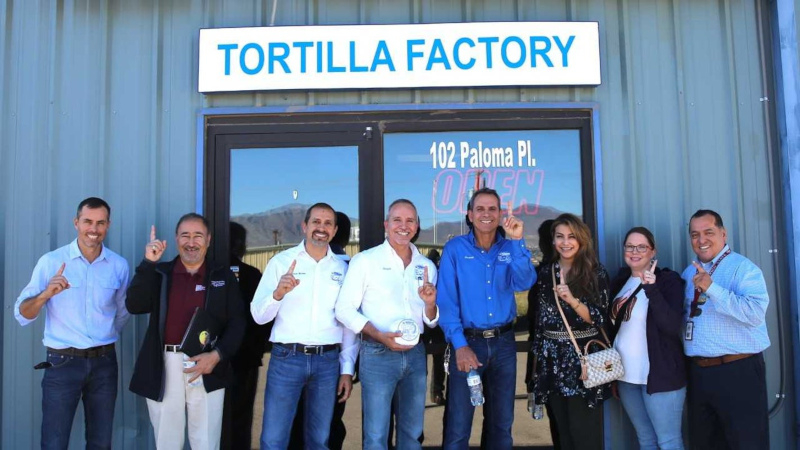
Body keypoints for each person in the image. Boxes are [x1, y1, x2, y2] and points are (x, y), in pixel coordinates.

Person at [15, 197, 130, 450]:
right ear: (76, 223)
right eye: (87, 221)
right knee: (54, 442)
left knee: (101, 442)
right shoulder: (51, 262)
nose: (94, 229)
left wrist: (102, 338)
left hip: (104, 364)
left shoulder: (119, 266)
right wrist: (45, 295)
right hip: (62, 364)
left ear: (108, 225)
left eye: (100, 223)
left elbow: (122, 313)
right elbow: (22, 313)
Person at [127, 213, 246, 450]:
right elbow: (135, 305)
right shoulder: (160, 273)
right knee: (167, 442)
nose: (191, 242)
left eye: (198, 236)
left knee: (206, 442)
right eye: (185, 236)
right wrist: (148, 263)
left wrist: (218, 355)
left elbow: (238, 322)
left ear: (208, 240)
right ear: (176, 239)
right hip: (165, 365)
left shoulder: (222, 276)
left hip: (207, 364)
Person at [251, 203, 357, 450]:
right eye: (316, 222)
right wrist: (277, 294)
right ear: (304, 226)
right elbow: (258, 316)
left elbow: (348, 324)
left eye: (328, 223)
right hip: (287, 359)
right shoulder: (281, 263)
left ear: (335, 230)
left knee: (319, 440)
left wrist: (347, 369)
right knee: (274, 439)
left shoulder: (343, 269)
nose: (321, 228)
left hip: (327, 362)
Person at [437, 188, 536, 450]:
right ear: (470, 215)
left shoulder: (510, 247)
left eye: (492, 209)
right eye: (480, 209)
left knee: (501, 426)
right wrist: (460, 345)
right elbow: (446, 302)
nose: (486, 214)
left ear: (500, 214)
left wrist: (517, 241)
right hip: (468, 344)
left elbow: (525, 282)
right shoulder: (455, 249)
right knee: (458, 427)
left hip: (504, 344)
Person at [335, 199, 438, 450]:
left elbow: (430, 320)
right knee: (375, 436)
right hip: (377, 354)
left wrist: (430, 304)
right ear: (386, 224)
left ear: (417, 226)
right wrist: (378, 335)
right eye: (397, 220)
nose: (404, 226)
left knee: (412, 434)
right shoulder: (365, 261)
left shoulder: (426, 266)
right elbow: (344, 310)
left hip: (415, 354)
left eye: (410, 221)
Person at [682, 209, 770, 449]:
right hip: (699, 373)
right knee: (705, 444)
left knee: (746, 443)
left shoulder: (743, 268)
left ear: (723, 234)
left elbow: (755, 313)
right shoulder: (688, 273)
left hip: (737, 371)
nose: (701, 240)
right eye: (695, 234)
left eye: (708, 232)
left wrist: (712, 288)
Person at [531, 213, 610, 450]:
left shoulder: (595, 272)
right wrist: (537, 366)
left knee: (583, 433)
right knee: (562, 433)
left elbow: (599, 318)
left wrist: (572, 300)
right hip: (552, 361)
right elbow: (540, 321)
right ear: (553, 240)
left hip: (582, 362)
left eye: (571, 236)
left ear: (581, 239)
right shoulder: (545, 273)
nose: (565, 242)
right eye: (560, 236)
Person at [610, 227, 686, 450]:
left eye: (642, 247)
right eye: (630, 246)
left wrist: (651, 289)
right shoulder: (621, 281)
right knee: (646, 440)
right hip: (626, 377)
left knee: (669, 442)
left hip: (660, 377)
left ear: (653, 251)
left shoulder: (668, 281)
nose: (635, 252)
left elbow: (671, 326)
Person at [221, 222, 268, 450]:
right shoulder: (252, 275)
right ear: (239, 245)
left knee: (212, 420)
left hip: (213, 358)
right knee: (240, 418)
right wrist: (257, 350)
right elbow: (263, 322)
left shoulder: (211, 273)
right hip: (245, 359)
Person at [524, 219, 561, 450]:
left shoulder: (542, 276)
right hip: (549, 357)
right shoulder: (542, 275)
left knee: (559, 422)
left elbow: (533, 321)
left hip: (547, 357)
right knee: (564, 424)